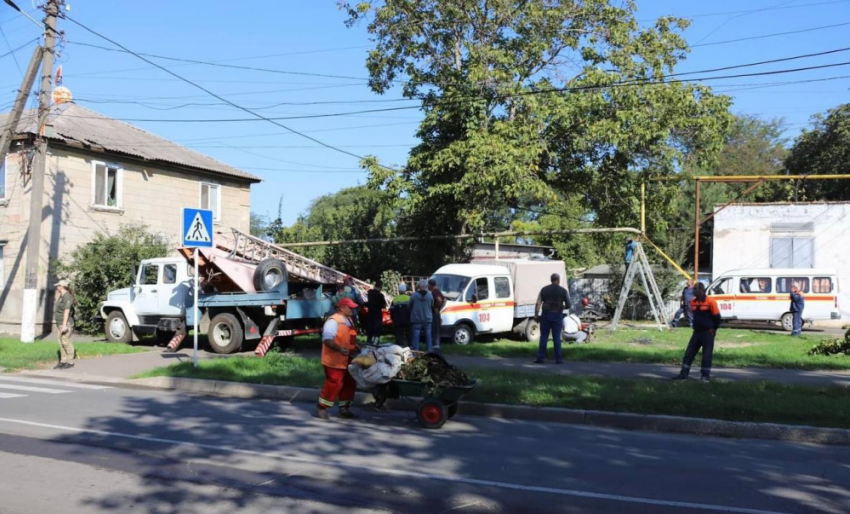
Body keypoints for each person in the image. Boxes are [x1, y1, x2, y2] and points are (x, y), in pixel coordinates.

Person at [316, 297, 360, 420]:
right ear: (342, 308)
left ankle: (344, 408)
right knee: (334, 383)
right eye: (350, 307)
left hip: (348, 359)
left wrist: (355, 346)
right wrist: (340, 349)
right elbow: (327, 339)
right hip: (334, 360)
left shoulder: (348, 320)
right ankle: (321, 407)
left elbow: (348, 338)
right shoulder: (333, 321)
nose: (353, 309)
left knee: (349, 383)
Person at [672, 282, 721, 382]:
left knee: (706, 355)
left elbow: (717, 318)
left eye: (696, 290)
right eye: (694, 289)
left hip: (707, 332)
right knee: (689, 354)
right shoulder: (693, 302)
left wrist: (713, 329)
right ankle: (683, 375)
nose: (694, 291)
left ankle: (705, 377)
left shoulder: (711, 301)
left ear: (702, 291)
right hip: (697, 332)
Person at [534, 273, 570, 364]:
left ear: (551, 280)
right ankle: (558, 358)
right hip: (557, 315)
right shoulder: (563, 291)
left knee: (544, 337)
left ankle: (541, 358)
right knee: (557, 337)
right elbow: (569, 304)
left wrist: (536, 315)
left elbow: (538, 304)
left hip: (546, 315)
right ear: (558, 280)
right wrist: (563, 307)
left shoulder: (544, 290)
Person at [53, 280, 76, 369]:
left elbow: (66, 311)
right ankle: (63, 360)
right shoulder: (61, 296)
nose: (57, 287)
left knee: (65, 341)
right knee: (60, 341)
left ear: (61, 286)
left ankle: (70, 362)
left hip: (66, 323)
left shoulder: (68, 297)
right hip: (60, 323)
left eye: (58, 286)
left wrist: (64, 325)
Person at [409, 279, 434, 352]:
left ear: (419, 286)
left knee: (416, 337)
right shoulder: (430, 295)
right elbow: (432, 305)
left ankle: (415, 353)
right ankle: (429, 352)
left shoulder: (414, 295)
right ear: (426, 286)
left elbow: (410, 305)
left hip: (416, 319)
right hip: (427, 318)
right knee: (428, 337)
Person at [365, 280, 387, 345]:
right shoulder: (380, 295)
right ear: (381, 286)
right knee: (377, 330)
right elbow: (384, 305)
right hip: (377, 314)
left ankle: (368, 341)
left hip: (370, 313)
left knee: (370, 328)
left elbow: (366, 302)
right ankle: (375, 343)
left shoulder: (370, 293)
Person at [428, 278, 445, 350]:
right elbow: (444, 300)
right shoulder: (438, 291)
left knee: (435, 331)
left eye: (428, 285)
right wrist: (440, 309)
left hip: (434, 314)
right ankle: (437, 346)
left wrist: (436, 307)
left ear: (430, 285)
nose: (427, 287)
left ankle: (435, 347)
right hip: (437, 313)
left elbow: (439, 300)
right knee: (437, 331)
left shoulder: (434, 292)